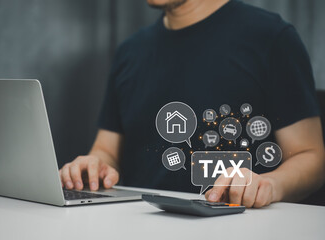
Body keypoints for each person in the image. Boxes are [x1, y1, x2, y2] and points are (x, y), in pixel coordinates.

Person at [59, 0, 325, 208]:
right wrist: (94, 165)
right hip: (139, 223)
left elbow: (311, 157)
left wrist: (270, 184)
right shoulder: (129, 51)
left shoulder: (271, 38)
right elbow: (107, 150)